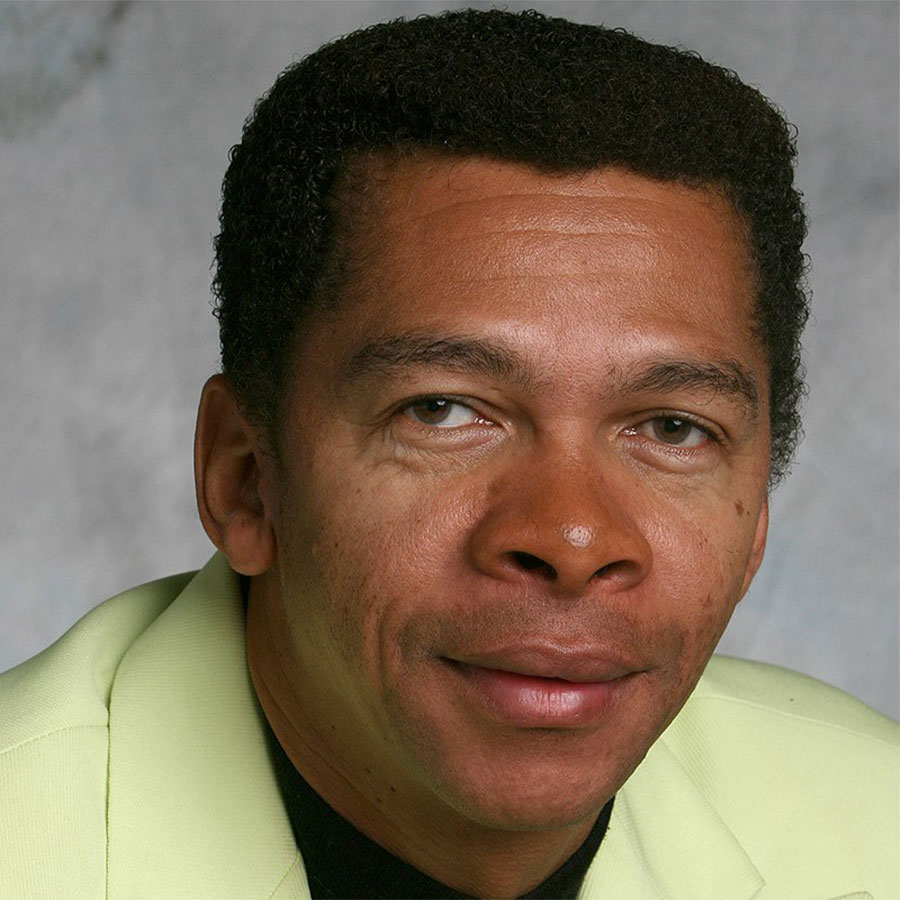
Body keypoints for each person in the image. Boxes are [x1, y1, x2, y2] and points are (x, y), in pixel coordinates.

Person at [1, 8, 896, 899]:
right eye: (442, 410)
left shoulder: (875, 828)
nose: (574, 538)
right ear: (244, 480)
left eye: (672, 428)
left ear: (756, 525)